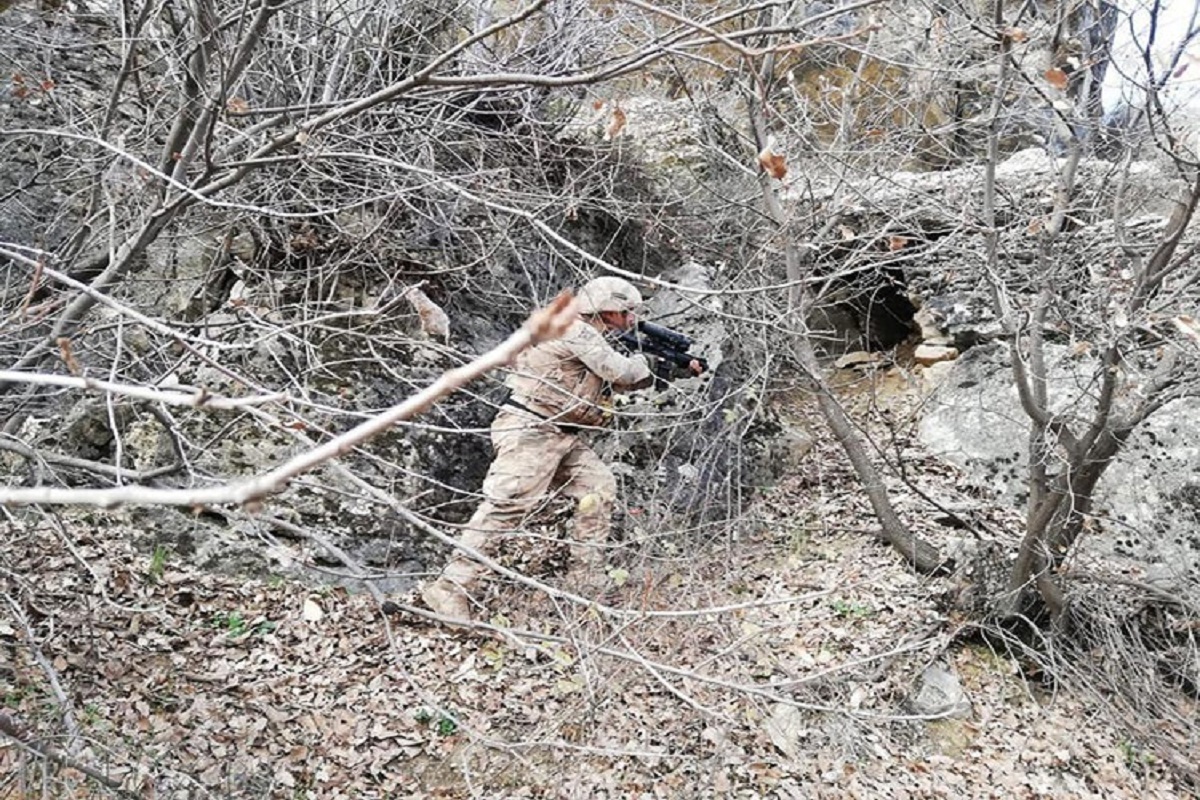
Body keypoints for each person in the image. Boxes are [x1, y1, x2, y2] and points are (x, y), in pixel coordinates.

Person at [420, 276, 658, 622]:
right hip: (531, 430)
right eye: (627, 312)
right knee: (505, 507)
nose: (632, 319)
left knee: (598, 487)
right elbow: (618, 370)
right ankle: (449, 589)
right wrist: (646, 364)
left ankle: (585, 580)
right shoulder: (577, 331)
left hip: (560, 434)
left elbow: (607, 381)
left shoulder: (587, 336)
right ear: (607, 311)